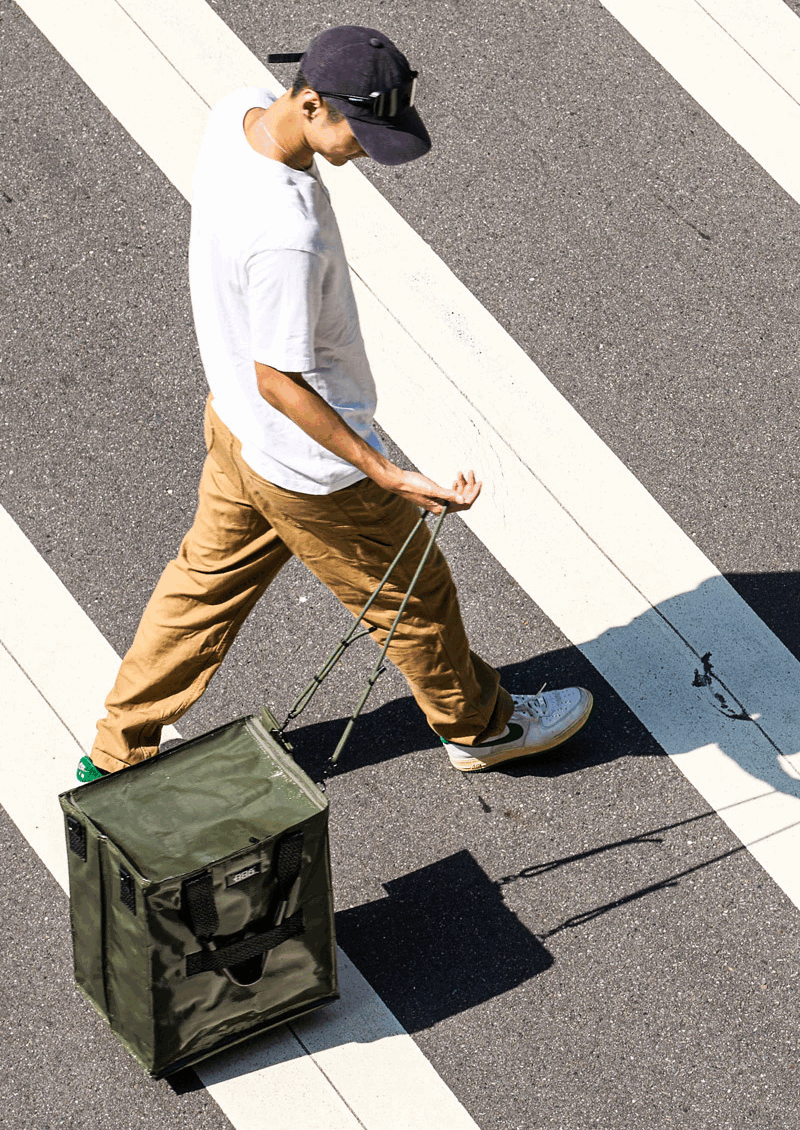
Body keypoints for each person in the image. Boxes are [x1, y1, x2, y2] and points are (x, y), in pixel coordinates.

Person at [77, 25, 593, 782]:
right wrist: (382, 471)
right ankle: (479, 728)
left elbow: (255, 384)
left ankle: (116, 752)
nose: (366, 150)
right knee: (416, 598)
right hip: (309, 466)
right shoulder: (289, 232)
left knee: (199, 591)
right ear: (313, 102)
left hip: (237, 436)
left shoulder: (239, 113)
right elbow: (280, 380)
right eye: (360, 129)